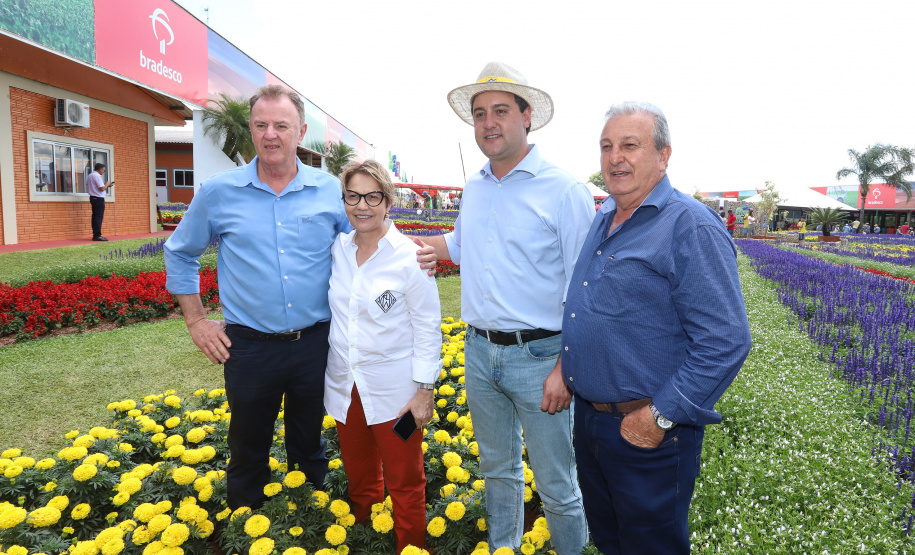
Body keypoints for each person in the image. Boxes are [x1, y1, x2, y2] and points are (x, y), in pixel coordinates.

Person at [164, 85, 436, 511]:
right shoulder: (220, 192)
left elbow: (366, 242)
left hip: (316, 346)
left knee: (309, 447)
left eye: (281, 125)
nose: (270, 134)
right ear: (252, 130)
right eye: (260, 125)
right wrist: (197, 321)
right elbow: (180, 251)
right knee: (248, 451)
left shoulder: (331, 191)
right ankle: (247, 528)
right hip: (249, 348)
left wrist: (416, 258)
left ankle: (309, 526)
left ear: (301, 131)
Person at [561, 101, 752, 554]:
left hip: (646, 431)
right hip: (592, 422)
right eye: (607, 146)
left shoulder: (689, 226)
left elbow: (726, 340)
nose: (614, 157)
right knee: (611, 542)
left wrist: (660, 416)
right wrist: (564, 366)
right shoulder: (605, 217)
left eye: (630, 145)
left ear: (664, 155)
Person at [420, 62, 592, 554]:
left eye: (500, 111)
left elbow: (585, 289)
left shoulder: (564, 190)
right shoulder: (474, 188)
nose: (488, 123)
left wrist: (567, 367)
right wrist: (390, 245)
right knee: (497, 473)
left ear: (526, 116)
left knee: (557, 484)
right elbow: (463, 242)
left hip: (540, 359)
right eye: (479, 114)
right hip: (478, 353)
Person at [325, 160, 441, 552]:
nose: (362, 205)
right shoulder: (337, 251)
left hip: (396, 396)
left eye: (372, 196)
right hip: (347, 388)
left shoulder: (411, 256)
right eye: (353, 196)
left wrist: (424, 392)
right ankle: (369, 543)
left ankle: (412, 547)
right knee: (360, 480)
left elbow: (428, 328)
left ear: (388, 201)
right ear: (344, 200)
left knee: (406, 483)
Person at [87, 163, 111, 241]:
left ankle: (95, 234)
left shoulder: (91, 175)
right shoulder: (97, 176)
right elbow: (101, 188)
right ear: (100, 169)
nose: (104, 171)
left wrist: (106, 185)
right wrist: (107, 185)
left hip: (93, 198)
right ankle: (97, 235)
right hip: (98, 199)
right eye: (104, 170)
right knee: (98, 217)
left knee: (95, 217)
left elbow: (98, 187)